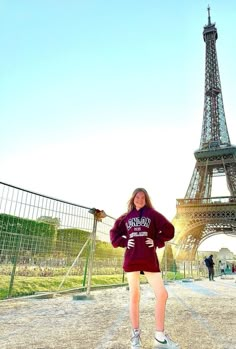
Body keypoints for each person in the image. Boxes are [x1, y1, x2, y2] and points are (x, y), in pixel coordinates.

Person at [110, 188, 179, 349]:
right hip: (132, 259)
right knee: (134, 295)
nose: (140, 199)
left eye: (143, 197)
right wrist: (124, 242)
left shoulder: (153, 214)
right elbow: (114, 235)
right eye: (137, 196)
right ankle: (135, 335)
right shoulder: (126, 217)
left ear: (146, 199)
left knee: (162, 294)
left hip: (148, 259)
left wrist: (156, 241)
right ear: (133, 199)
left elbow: (170, 230)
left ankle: (159, 336)